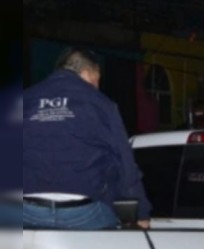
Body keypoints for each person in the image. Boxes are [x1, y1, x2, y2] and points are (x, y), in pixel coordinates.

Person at [22, 48, 152, 230]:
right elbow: (125, 164)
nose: (97, 86)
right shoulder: (101, 103)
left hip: (25, 211)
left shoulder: (24, 99)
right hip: (82, 213)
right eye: (97, 80)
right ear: (87, 73)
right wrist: (140, 214)